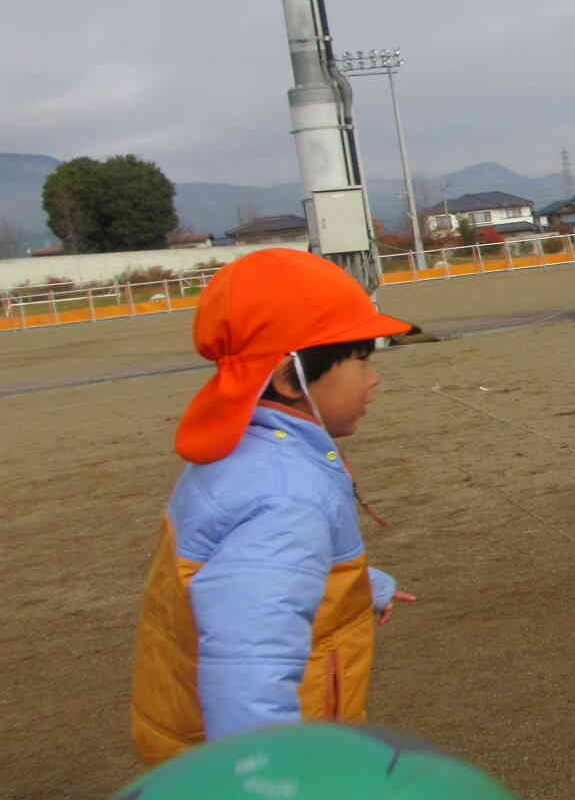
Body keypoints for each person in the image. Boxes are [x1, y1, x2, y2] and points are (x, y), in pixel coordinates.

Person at [131, 249, 415, 765]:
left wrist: (358, 584)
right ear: (290, 378)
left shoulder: (248, 456)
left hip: (193, 740)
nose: (373, 378)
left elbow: (253, 570)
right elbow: (249, 658)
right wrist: (269, 784)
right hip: (265, 765)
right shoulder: (285, 494)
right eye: (361, 359)